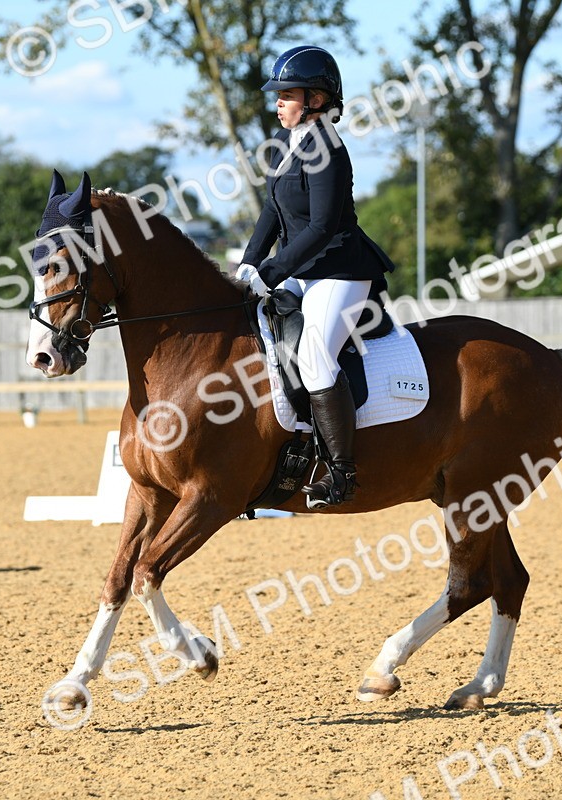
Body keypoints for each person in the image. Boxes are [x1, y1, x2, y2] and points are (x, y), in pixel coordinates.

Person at [240, 45, 396, 510]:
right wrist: (249, 264)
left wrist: (273, 269)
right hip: (301, 272)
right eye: (278, 95)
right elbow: (272, 210)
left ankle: (340, 470)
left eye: (286, 95)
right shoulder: (288, 146)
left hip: (339, 272)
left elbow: (323, 225)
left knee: (314, 357)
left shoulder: (328, 148)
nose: (277, 103)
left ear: (316, 98)